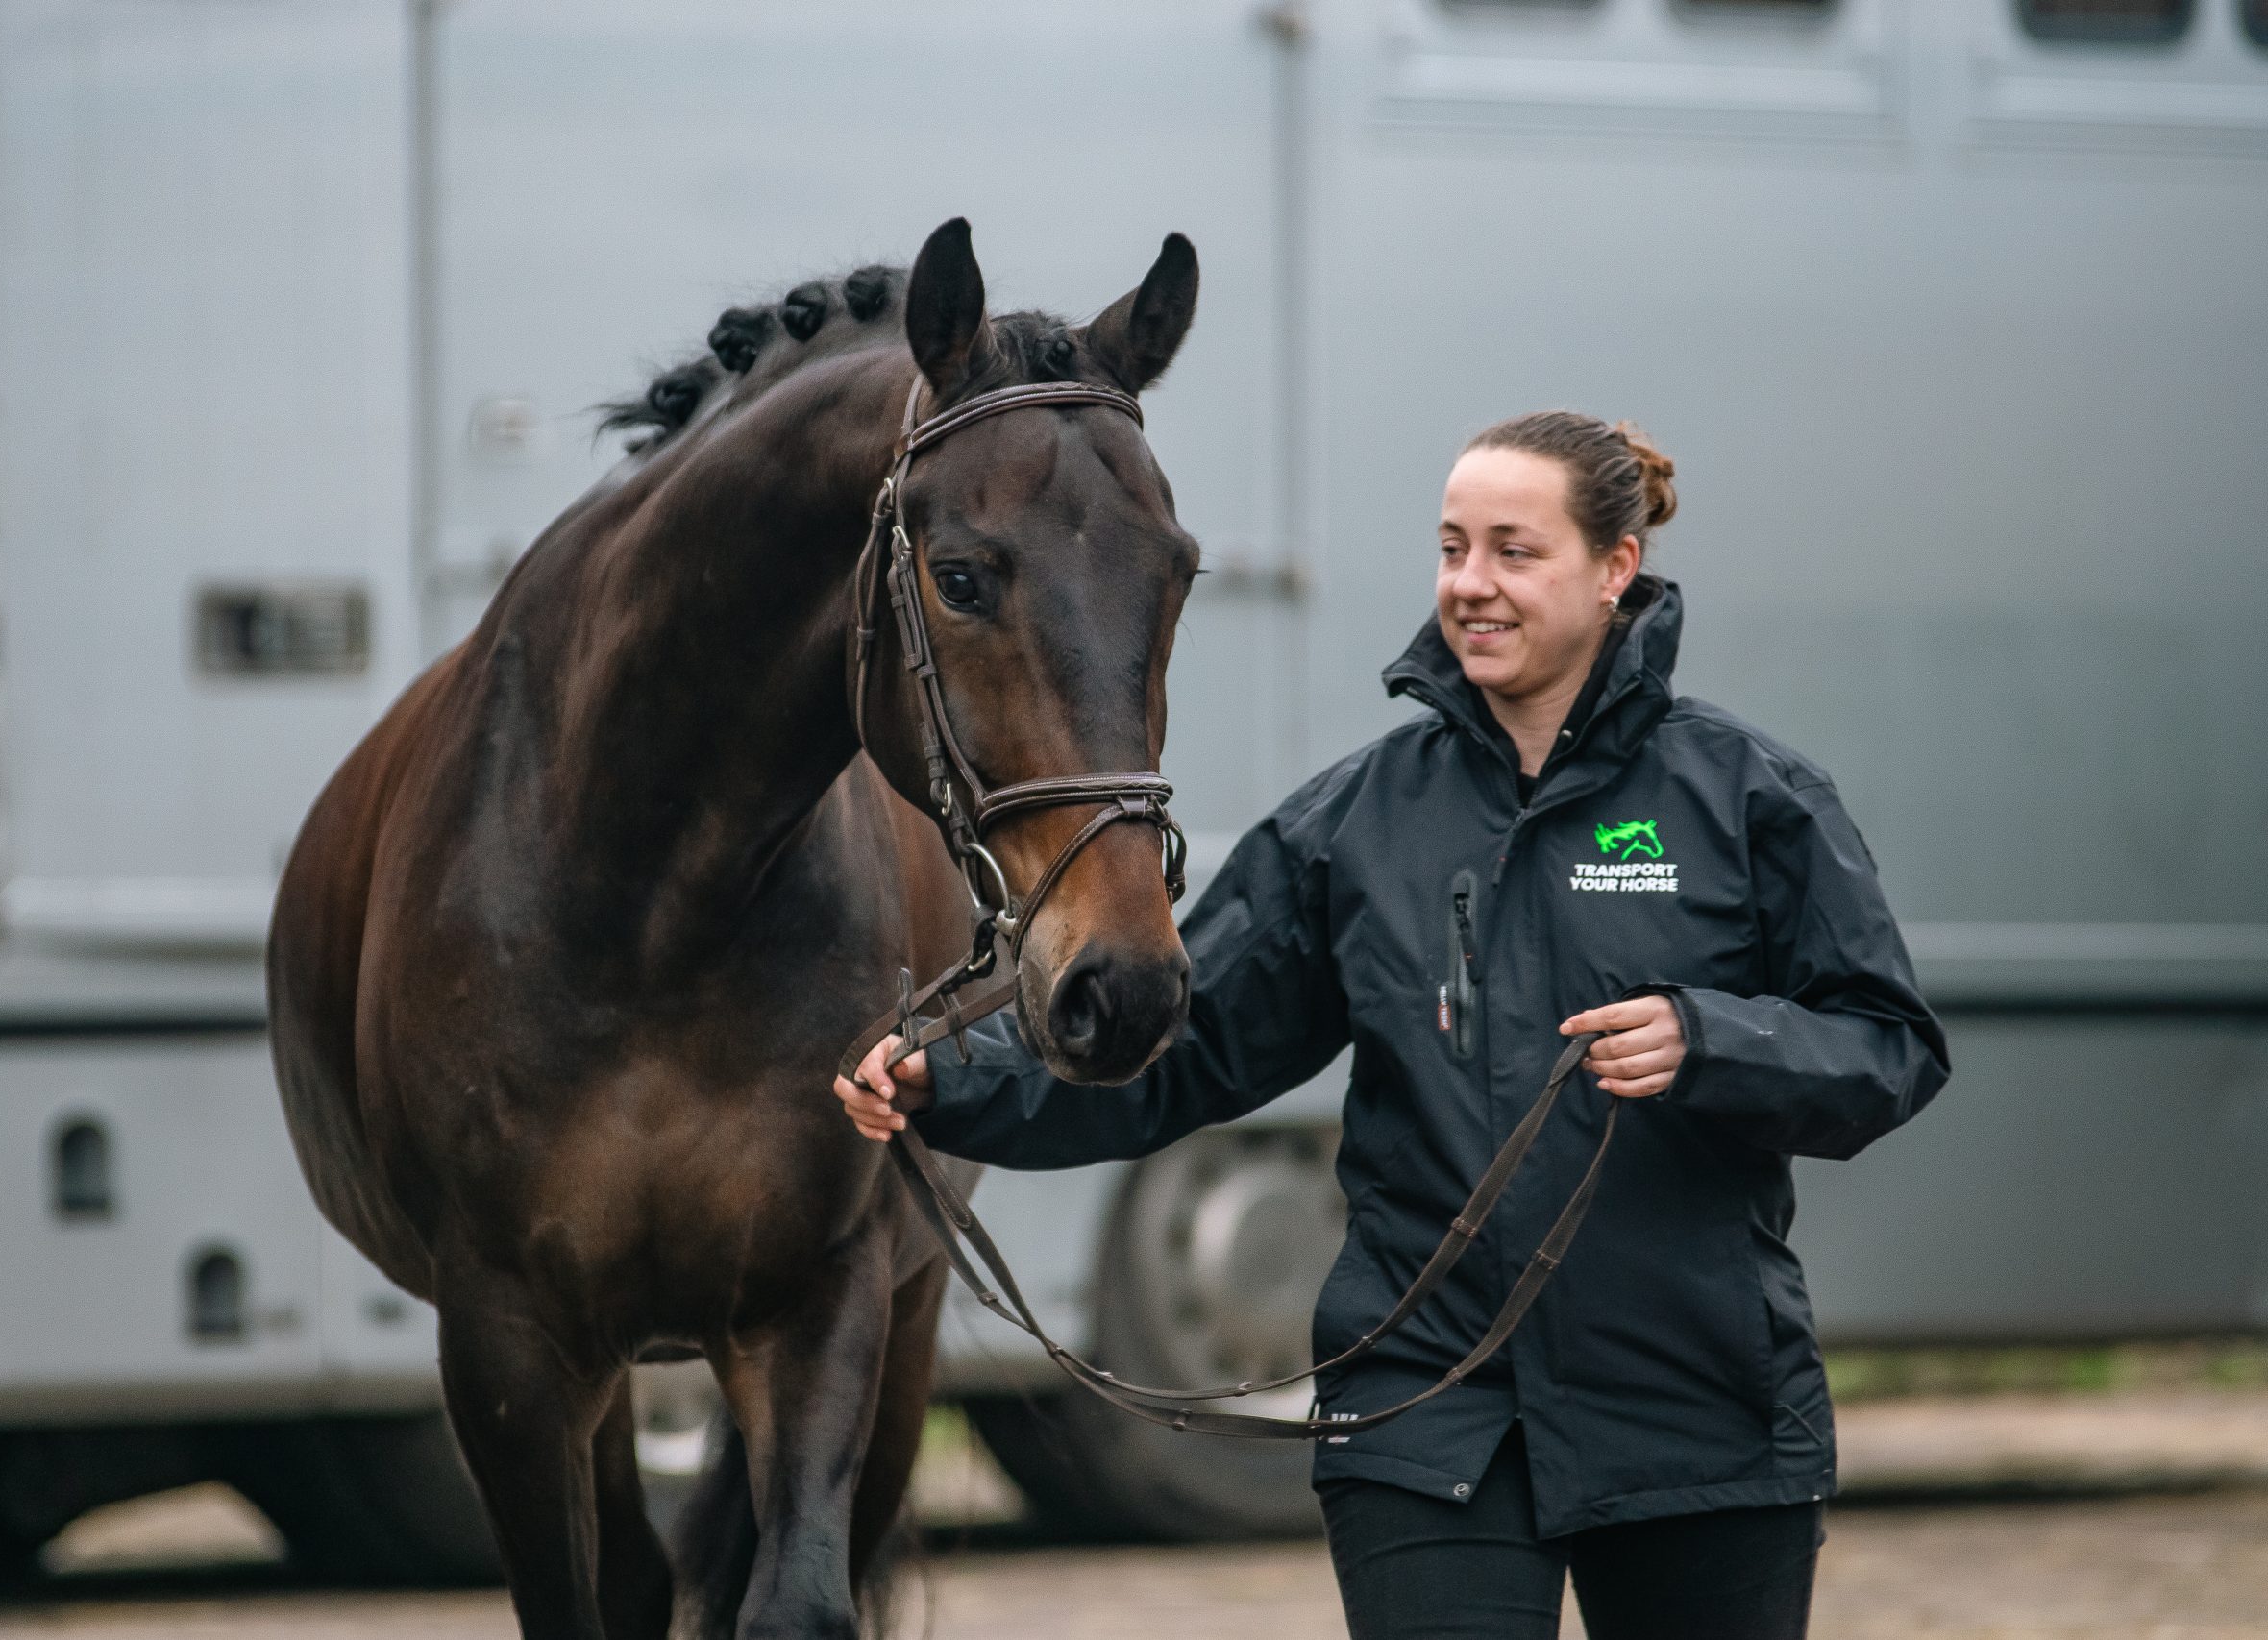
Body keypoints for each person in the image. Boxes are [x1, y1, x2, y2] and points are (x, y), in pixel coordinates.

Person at [834, 411, 1949, 1640]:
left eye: (1513, 553)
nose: (1470, 584)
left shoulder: (1749, 798)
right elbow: (1184, 1049)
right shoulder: (1357, 821)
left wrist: (1710, 1040)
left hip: (1700, 1413)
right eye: (1451, 547)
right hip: (1427, 1428)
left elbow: (1885, 1048)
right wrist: (955, 1083)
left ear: (1614, 570)